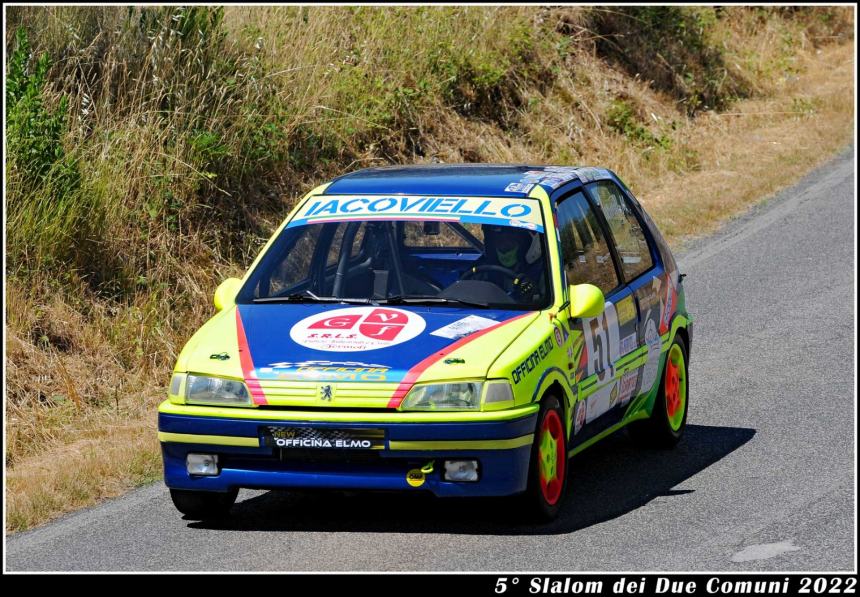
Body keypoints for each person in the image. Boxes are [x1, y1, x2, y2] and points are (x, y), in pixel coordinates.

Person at [468, 224, 546, 302]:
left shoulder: (546, 274)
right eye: (498, 241)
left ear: (526, 241)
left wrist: (535, 298)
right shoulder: (480, 271)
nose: (504, 247)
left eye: (510, 240)